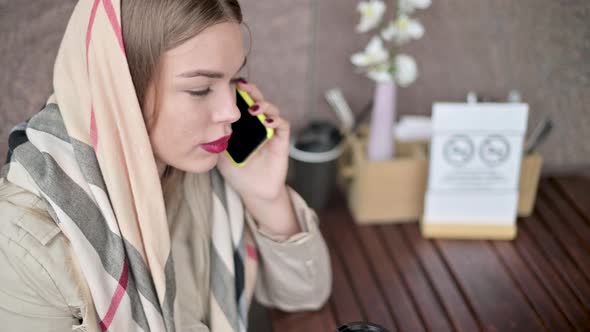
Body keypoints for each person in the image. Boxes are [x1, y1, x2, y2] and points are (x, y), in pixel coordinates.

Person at [0, 0, 332, 331]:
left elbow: (306, 295)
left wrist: (267, 198)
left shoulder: (205, 170)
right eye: (201, 88)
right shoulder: (24, 239)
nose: (231, 112)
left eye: (233, 81)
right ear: (119, 89)